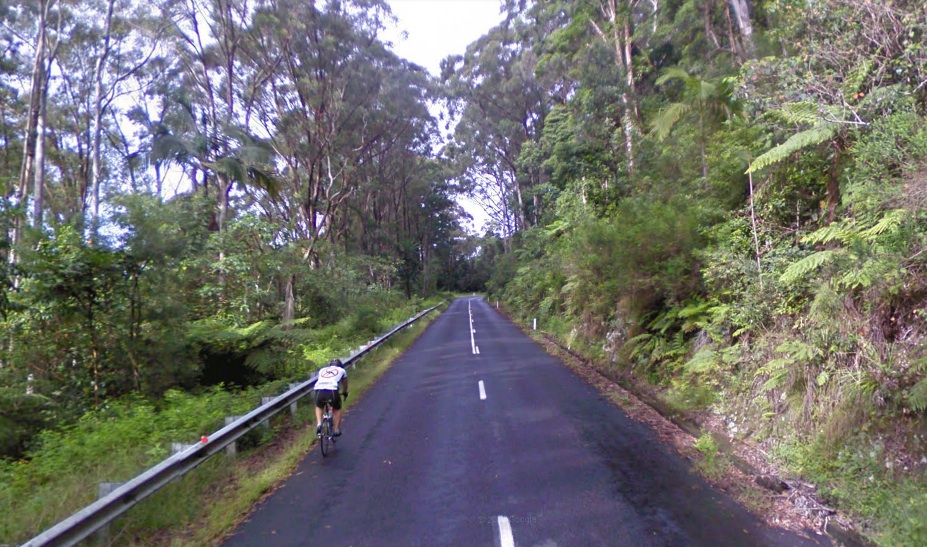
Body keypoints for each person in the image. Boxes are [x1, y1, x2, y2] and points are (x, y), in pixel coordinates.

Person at [314, 358, 349, 437]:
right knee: (337, 409)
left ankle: (319, 424)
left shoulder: (322, 370)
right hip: (332, 390)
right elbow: (345, 384)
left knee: (319, 406)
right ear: (340, 365)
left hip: (319, 390)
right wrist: (345, 392)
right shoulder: (342, 370)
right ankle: (336, 429)